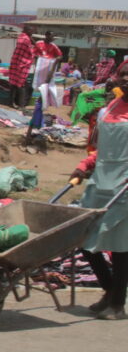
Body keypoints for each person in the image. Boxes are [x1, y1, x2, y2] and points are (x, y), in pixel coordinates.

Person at [69, 61, 128, 320]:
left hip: (125, 186)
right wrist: (83, 166)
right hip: (101, 181)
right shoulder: (108, 110)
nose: (126, 78)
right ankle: (110, 290)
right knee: (84, 240)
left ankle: (117, 303)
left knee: (120, 248)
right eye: (124, 74)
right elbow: (101, 151)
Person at [8, 25, 35, 109]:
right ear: (26, 31)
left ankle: (11, 102)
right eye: (30, 31)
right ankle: (21, 105)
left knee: (14, 83)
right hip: (22, 64)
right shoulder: (26, 39)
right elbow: (31, 51)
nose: (32, 32)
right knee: (21, 84)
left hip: (16, 62)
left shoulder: (21, 37)